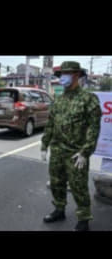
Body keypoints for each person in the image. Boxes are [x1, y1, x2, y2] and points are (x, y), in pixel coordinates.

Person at [41, 61, 102, 231]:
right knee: (56, 183)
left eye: (66, 73)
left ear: (76, 75)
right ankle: (59, 209)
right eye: (61, 74)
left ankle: (83, 219)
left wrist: (85, 152)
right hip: (58, 150)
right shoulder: (59, 100)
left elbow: (93, 128)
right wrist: (44, 145)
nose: (63, 77)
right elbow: (51, 124)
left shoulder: (88, 99)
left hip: (76, 153)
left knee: (79, 187)